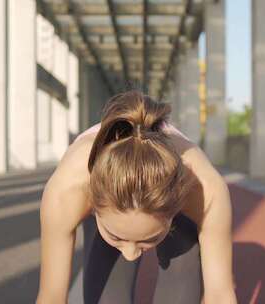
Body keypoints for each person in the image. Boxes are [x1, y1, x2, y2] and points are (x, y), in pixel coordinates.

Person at [36, 90, 237, 304]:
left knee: (182, 276)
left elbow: (219, 294)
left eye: (147, 239)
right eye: (118, 237)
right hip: (99, 191)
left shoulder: (204, 189)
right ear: (92, 202)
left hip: (178, 197)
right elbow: (51, 296)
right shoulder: (67, 190)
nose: (131, 254)